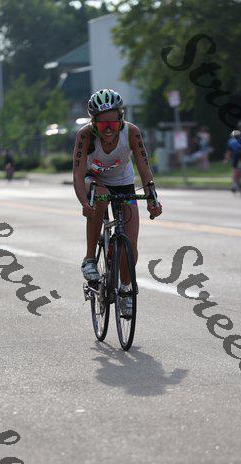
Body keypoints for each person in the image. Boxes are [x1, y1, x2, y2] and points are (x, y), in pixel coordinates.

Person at [73, 88, 162, 317]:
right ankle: (90, 258)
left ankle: (125, 289)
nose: (109, 129)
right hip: (94, 180)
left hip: (123, 182)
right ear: (93, 123)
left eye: (113, 123)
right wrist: (84, 203)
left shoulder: (131, 133)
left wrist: (152, 198)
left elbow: (144, 168)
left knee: (130, 244)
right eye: (102, 124)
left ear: (121, 118)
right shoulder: (85, 135)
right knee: (100, 198)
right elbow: (78, 174)